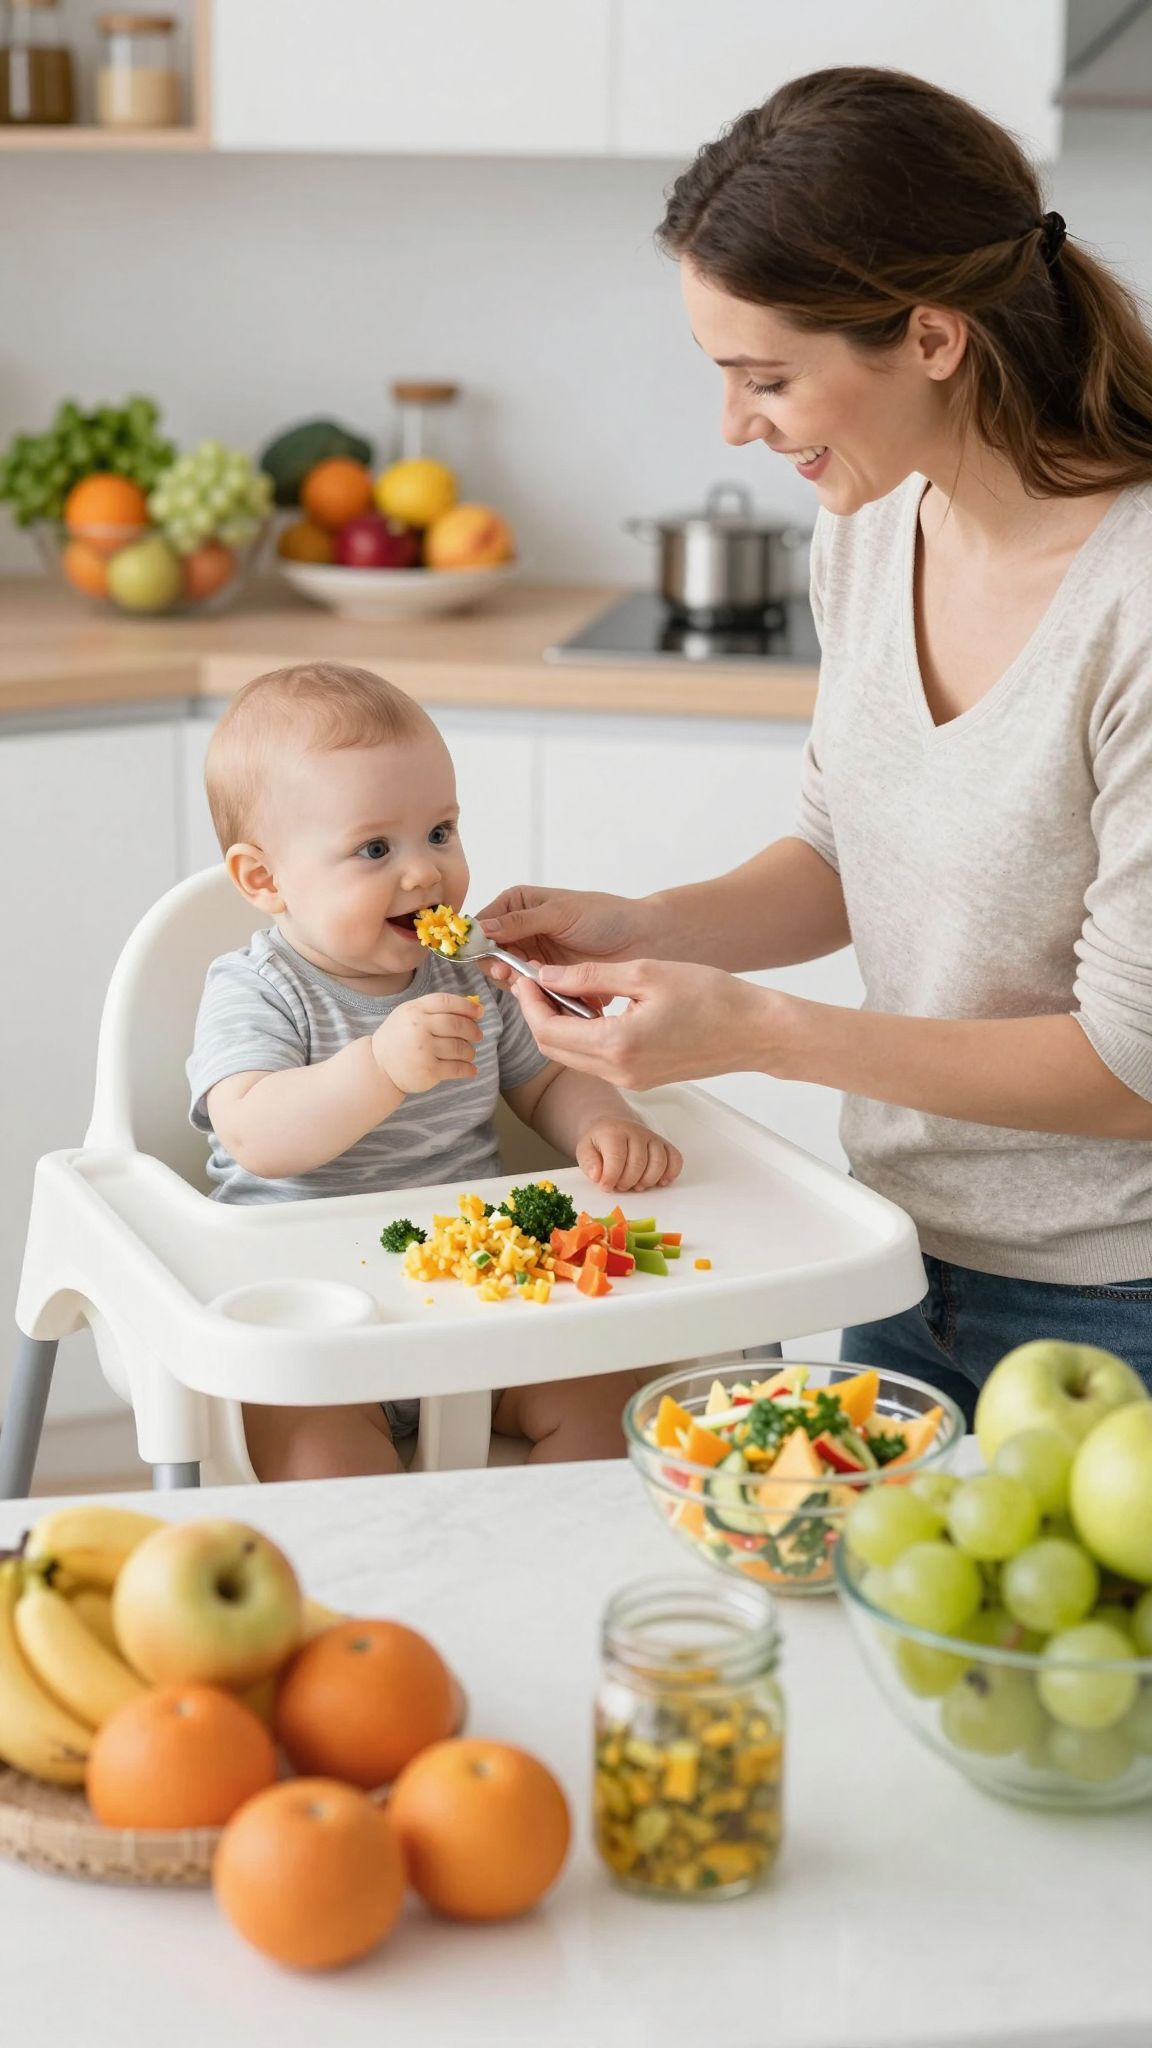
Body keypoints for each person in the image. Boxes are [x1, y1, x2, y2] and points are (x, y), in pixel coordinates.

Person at [480, 66, 1152, 1419]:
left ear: (932, 339)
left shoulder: (1133, 603)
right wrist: (642, 925)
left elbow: (1131, 1070)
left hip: (1114, 1314)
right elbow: (851, 849)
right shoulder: (868, 523)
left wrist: (757, 1032)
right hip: (893, 1259)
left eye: (766, 377)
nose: (734, 425)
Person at [187, 661, 681, 1480]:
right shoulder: (258, 989)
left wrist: (606, 1124)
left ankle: (571, 1565)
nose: (425, 873)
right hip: (313, 1319)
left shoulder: (470, 974)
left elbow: (547, 1080)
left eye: (440, 833)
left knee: (607, 1403)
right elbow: (255, 1133)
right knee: (323, 1459)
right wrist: (379, 1067)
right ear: (265, 879)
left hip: (473, 1301)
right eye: (375, 848)